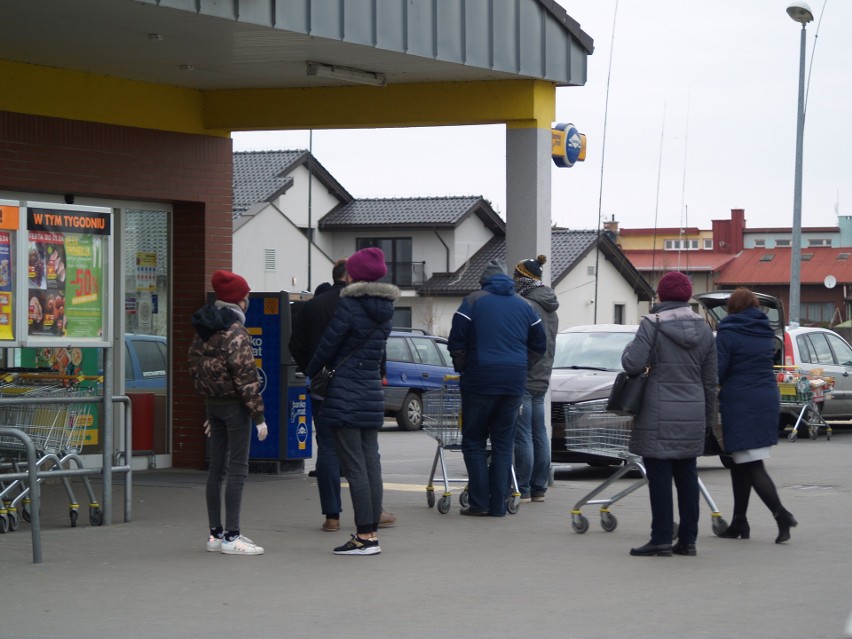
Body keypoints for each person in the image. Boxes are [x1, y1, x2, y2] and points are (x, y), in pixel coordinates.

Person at [289, 259, 398, 533]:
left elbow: (309, 346)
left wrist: (312, 373)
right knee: (369, 455)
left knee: (332, 450)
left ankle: (336, 518)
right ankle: (374, 517)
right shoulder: (385, 310)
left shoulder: (318, 306)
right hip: (370, 389)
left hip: (333, 390)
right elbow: (379, 354)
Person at [622, 271, 716, 557]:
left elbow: (632, 364)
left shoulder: (652, 323)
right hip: (692, 412)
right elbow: (711, 380)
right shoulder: (704, 328)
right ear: (687, 296)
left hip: (657, 412)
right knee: (687, 477)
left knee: (660, 477)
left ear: (661, 296)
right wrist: (707, 418)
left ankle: (661, 537)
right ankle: (688, 540)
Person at [448, 259, 546, 517]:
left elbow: (456, 339)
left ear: (484, 281)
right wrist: (521, 367)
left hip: (479, 380)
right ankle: (498, 505)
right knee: (503, 443)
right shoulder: (525, 306)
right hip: (513, 383)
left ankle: (479, 503)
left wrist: (464, 367)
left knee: (474, 442)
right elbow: (539, 345)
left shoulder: (472, 301)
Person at [188, 270, 268, 556]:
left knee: (216, 468)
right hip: (235, 408)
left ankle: (215, 534)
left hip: (213, 405)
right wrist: (258, 417)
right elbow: (246, 377)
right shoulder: (236, 332)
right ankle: (232, 536)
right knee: (237, 468)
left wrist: (209, 404)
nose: (248, 301)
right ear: (240, 301)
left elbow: (195, 367)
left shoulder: (204, 329)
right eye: (246, 296)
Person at [716, 287, 797, 543]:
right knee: (741, 462)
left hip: (741, 401)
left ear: (732, 307)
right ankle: (739, 521)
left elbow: (718, 371)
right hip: (766, 397)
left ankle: (781, 514)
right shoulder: (766, 332)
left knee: (751, 463)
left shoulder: (728, 332)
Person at [512, 255, 559, 503]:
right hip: (543, 376)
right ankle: (539, 487)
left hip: (526, 375)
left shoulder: (526, 305)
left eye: (516, 276)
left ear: (524, 279)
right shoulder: (550, 305)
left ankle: (523, 487)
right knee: (539, 432)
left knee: (523, 434)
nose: (514, 280)